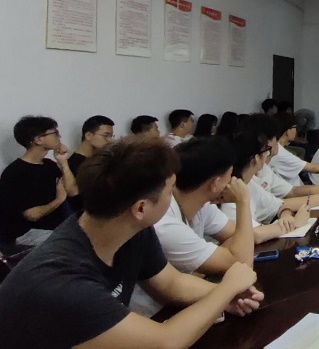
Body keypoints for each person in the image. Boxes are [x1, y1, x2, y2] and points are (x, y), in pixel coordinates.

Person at [0, 137, 263, 348]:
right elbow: (166, 341)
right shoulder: (64, 284)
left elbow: (172, 284)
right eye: (169, 192)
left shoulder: (130, 230)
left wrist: (224, 298)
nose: (173, 198)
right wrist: (226, 289)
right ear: (140, 208)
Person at [129, 136, 256, 317]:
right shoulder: (162, 223)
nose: (232, 182)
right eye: (169, 189)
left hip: (180, 304)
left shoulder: (200, 204)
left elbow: (174, 283)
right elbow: (242, 262)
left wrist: (227, 290)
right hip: (154, 315)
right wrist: (243, 201)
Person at [0, 116, 77, 253]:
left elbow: (73, 191)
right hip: (27, 233)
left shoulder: (49, 165)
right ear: (38, 140)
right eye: (55, 133)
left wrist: (63, 163)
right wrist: (58, 200)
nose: (59, 137)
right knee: (74, 245)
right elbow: (31, 215)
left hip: (55, 227)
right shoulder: (15, 173)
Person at [68, 115, 115, 212]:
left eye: (111, 136)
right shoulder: (74, 163)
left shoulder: (100, 159)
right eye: (106, 135)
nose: (109, 140)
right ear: (88, 135)